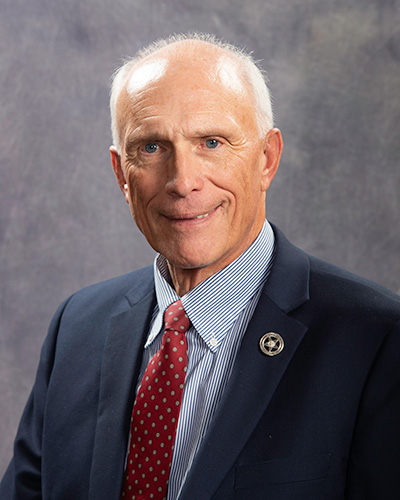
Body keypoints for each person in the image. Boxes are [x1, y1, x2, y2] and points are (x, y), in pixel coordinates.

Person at [1, 33, 400, 500]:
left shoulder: (377, 340)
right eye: (151, 148)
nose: (183, 181)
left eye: (211, 142)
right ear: (120, 173)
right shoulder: (77, 327)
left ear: (266, 159)